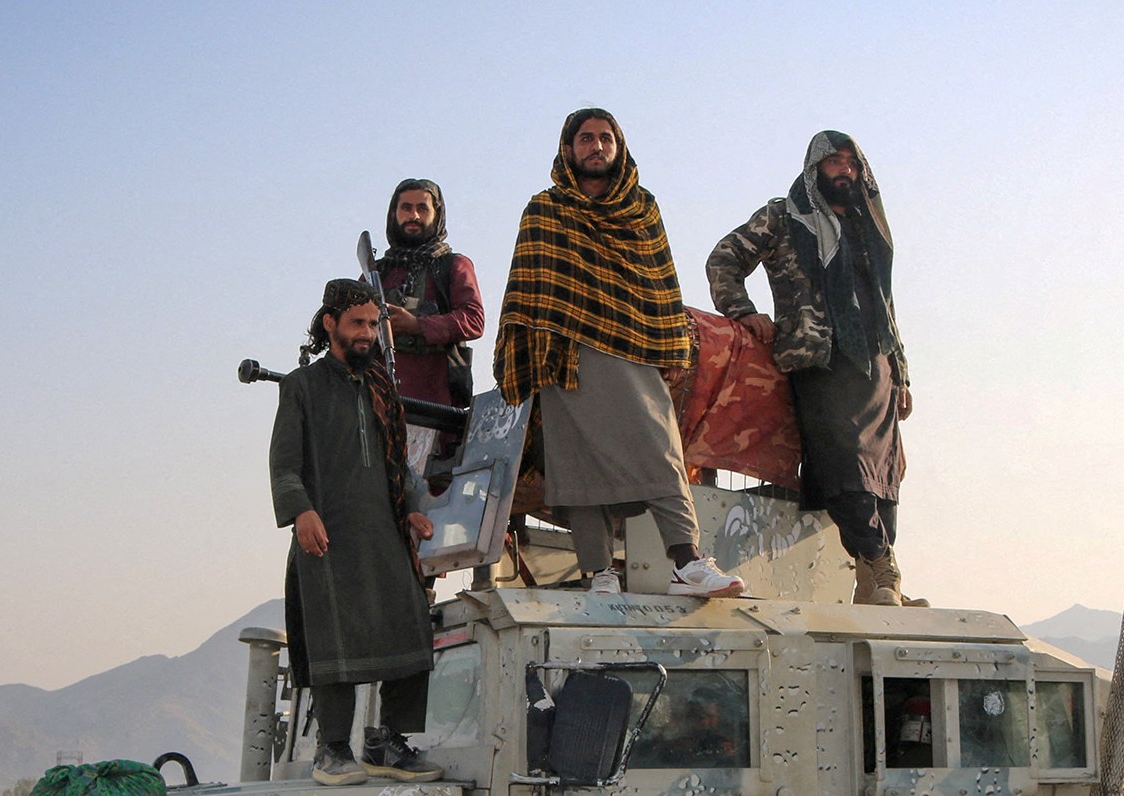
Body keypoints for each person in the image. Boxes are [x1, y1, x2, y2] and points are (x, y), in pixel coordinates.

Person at [495, 108, 743, 598]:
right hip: (565, 357)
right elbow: (527, 289)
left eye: (605, 138)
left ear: (619, 147)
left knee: (659, 452)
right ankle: (598, 573)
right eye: (586, 138)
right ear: (569, 149)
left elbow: (660, 287)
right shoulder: (544, 210)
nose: (596, 146)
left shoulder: (642, 209)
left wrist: (670, 345)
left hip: (631, 348)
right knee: (577, 466)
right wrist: (524, 355)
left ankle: (687, 563)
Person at [706, 131, 928, 606]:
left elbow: (884, 304)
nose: (844, 169)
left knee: (883, 477)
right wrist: (743, 311)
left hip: (877, 362)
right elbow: (724, 258)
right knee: (845, 466)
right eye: (834, 161)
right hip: (818, 357)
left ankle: (875, 583)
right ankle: (880, 564)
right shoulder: (784, 216)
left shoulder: (870, 227)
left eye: (851, 162)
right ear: (815, 168)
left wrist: (902, 374)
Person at [270, 278, 444, 785]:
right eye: (357, 324)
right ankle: (333, 749)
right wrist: (301, 512)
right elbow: (284, 464)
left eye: (373, 324)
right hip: (326, 535)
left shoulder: (383, 388)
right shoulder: (301, 387)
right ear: (330, 325)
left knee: (411, 626)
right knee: (335, 639)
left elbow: (401, 465)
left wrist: (412, 508)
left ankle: (388, 742)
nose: (367, 333)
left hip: (384, 532)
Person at [373, 178, 485, 475]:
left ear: (436, 214)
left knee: (431, 495)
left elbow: (474, 319)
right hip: (381, 405)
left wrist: (418, 325)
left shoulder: (452, 265)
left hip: (436, 405)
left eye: (422, 208)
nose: (414, 216)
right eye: (406, 208)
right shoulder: (377, 275)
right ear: (393, 213)